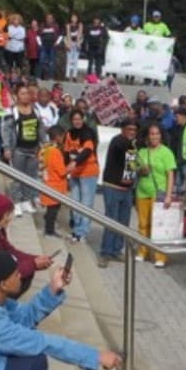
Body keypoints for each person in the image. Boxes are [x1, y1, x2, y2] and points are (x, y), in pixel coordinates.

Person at [134, 122, 177, 268]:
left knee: (158, 227)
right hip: (142, 192)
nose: (154, 136)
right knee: (142, 225)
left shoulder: (166, 152)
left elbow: (170, 175)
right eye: (151, 134)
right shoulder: (141, 151)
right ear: (147, 136)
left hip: (158, 194)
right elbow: (133, 170)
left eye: (157, 134)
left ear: (161, 136)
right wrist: (141, 170)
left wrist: (169, 195)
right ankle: (142, 252)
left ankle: (160, 256)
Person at [98, 118, 139, 267]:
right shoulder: (118, 141)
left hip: (126, 190)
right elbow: (124, 150)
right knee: (111, 220)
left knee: (123, 222)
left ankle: (116, 250)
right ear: (122, 130)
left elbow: (132, 166)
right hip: (113, 187)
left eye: (134, 130)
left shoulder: (132, 144)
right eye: (129, 129)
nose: (132, 133)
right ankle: (105, 253)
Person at [3, 83, 41, 215]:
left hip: (33, 149)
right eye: (22, 94)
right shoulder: (11, 110)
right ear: (17, 96)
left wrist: (43, 145)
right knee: (16, 177)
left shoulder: (35, 110)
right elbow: (6, 130)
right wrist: (7, 148)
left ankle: (26, 201)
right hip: (18, 149)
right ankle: (16, 202)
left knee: (30, 177)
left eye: (27, 93)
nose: (26, 96)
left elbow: (40, 128)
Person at [62, 110, 99, 243]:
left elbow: (87, 151)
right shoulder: (69, 133)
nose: (77, 121)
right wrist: (66, 167)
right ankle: (77, 230)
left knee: (86, 204)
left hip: (88, 172)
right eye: (74, 119)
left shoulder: (88, 132)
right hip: (74, 173)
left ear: (83, 119)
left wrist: (74, 162)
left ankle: (82, 232)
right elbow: (66, 152)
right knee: (75, 202)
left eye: (79, 119)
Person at [39, 125, 69, 237]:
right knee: (53, 210)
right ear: (58, 137)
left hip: (46, 182)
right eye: (62, 137)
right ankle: (49, 231)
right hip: (56, 185)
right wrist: (69, 168)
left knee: (51, 210)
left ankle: (49, 228)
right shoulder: (55, 152)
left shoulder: (44, 148)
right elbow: (62, 171)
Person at [63, 14, 83, 81]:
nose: (74, 19)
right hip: (69, 44)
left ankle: (74, 76)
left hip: (77, 44)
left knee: (75, 61)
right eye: (73, 18)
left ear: (77, 19)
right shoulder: (68, 26)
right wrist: (67, 44)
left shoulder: (80, 26)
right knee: (69, 60)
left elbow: (81, 36)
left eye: (75, 18)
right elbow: (65, 36)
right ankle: (67, 76)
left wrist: (79, 43)